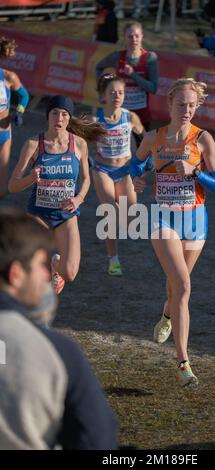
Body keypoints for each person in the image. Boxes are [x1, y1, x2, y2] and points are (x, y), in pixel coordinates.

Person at [129, 78, 215, 387]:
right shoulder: (154, 138)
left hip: (195, 222)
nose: (186, 110)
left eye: (191, 105)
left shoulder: (204, 139)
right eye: (181, 104)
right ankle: (183, 363)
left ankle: (167, 315)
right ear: (169, 105)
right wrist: (137, 180)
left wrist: (195, 172)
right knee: (183, 284)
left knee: (176, 290)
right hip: (162, 219)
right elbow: (135, 166)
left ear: (197, 107)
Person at [0, 208, 118, 450]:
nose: (46, 273)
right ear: (16, 274)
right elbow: (97, 440)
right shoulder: (57, 352)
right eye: (40, 265)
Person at [8, 95, 106, 294]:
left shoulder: (78, 145)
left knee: (69, 273)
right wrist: (30, 179)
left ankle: (56, 266)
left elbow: (86, 179)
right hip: (39, 214)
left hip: (65, 216)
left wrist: (78, 199)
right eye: (54, 113)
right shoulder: (33, 144)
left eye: (63, 114)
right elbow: (12, 186)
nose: (59, 118)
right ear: (48, 116)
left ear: (69, 118)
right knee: (25, 266)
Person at [91, 74, 144, 276]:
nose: (117, 96)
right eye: (112, 92)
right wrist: (87, 158)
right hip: (102, 170)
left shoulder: (129, 117)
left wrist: (142, 165)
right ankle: (113, 259)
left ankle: (113, 230)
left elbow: (145, 139)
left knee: (130, 219)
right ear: (103, 96)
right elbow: (80, 144)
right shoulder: (96, 119)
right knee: (110, 211)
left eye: (120, 92)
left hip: (124, 171)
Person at [95, 21, 158, 129]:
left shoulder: (149, 58)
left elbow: (153, 88)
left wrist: (133, 74)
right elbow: (98, 67)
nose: (134, 39)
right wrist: (104, 89)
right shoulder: (117, 56)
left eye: (137, 36)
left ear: (142, 36)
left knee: (140, 145)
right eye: (130, 36)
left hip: (141, 115)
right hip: (120, 114)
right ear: (124, 38)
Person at [0, 36, 29, 199]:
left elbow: (23, 95)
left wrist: (19, 111)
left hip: (3, 134)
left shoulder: (8, 77)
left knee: (2, 187)